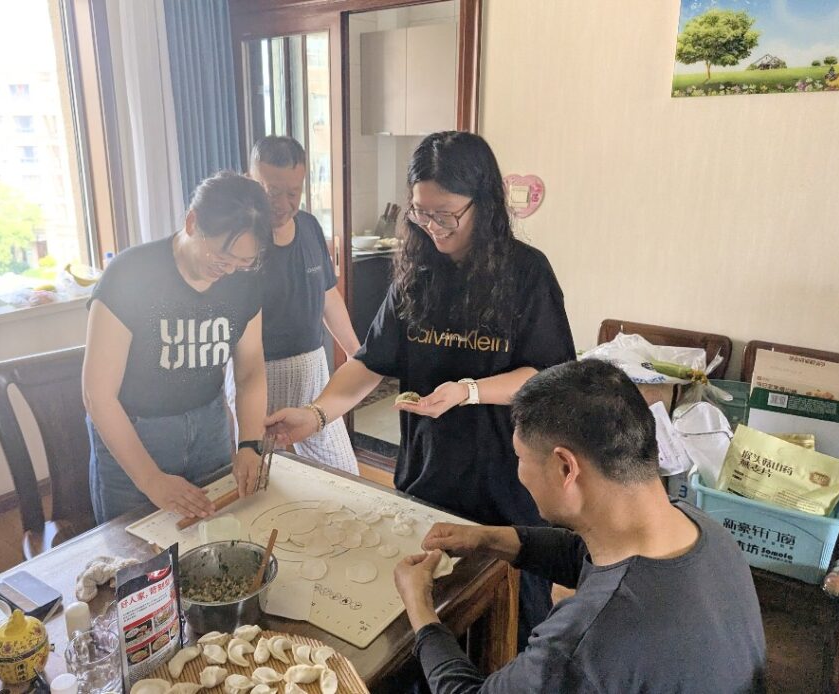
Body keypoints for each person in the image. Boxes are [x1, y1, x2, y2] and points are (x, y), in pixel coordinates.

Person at [266, 131, 576, 639]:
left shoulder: (526, 273)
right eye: (420, 213)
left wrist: (469, 390)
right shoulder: (417, 273)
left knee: (508, 627)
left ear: (485, 203)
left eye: (446, 214)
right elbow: (370, 361)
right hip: (427, 479)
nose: (432, 227)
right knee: (425, 621)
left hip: (506, 487)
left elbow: (545, 376)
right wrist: (316, 414)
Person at [393, 359, 767, 693]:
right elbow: (588, 557)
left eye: (520, 458)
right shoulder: (702, 530)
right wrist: (489, 538)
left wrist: (422, 610)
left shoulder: (580, 645)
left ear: (565, 468)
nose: (518, 470)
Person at [83, 171, 271, 524]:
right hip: (138, 434)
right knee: (137, 561)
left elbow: (249, 371)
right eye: (221, 256)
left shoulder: (244, 281)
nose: (228, 270)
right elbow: (98, 395)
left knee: (216, 540)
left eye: (242, 262)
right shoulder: (131, 274)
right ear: (191, 222)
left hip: (210, 428)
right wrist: (151, 480)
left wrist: (249, 444)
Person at [247, 135, 360, 474]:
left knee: (343, 475)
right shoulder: (240, 241)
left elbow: (327, 295)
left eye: (292, 192)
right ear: (251, 180)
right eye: (271, 191)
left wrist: (358, 354)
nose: (282, 203)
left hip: (313, 368)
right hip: (257, 375)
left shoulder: (309, 226)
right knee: (261, 479)